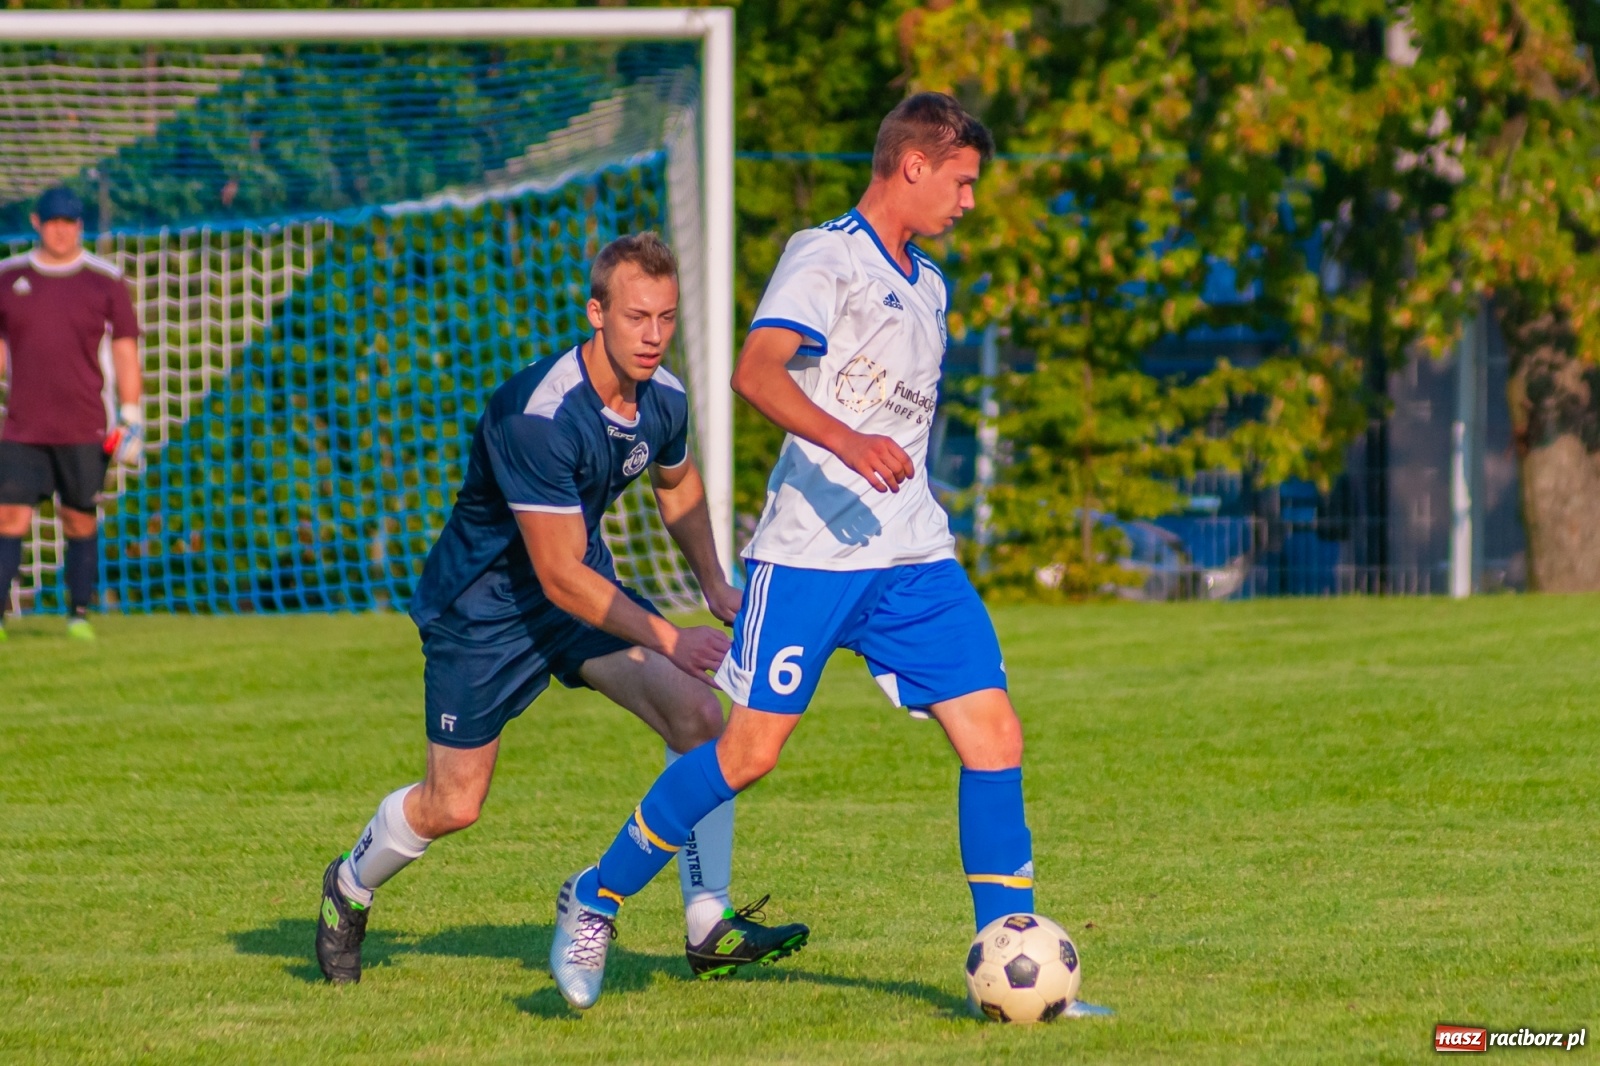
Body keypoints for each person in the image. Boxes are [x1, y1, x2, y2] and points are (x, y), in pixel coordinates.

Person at [549, 93, 1056, 1012]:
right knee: (746, 752)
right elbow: (756, 371)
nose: (970, 200)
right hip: (812, 557)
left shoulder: (931, 283)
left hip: (912, 558)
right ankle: (598, 894)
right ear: (913, 165)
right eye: (963, 180)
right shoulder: (825, 257)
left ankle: (1010, 969)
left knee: (995, 737)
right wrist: (846, 441)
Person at [315, 232, 808, 995]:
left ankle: (709, 927)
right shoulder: (538, 414)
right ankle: (350, 882)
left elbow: (675, 487)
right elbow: (557, 574)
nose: (652, 335)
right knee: (454, 804)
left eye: (666, 318)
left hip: (577, 593)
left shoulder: (664, 400)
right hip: (484, 610)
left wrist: (713, 580)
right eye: (636, 316)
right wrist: (672, 635)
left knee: (702, 721)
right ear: (596, 312)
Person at [0, 186, 144, 640]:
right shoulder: (8, 277)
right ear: (38, 223)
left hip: (85, 423)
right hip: (22, 425)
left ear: (79, 227)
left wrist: (132, 412)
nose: (61, 231)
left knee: (79, 517)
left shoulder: (105, 279)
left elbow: (125, 349)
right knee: (9, 517)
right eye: (53, 221)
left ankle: (78, 613)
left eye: (70, 222)